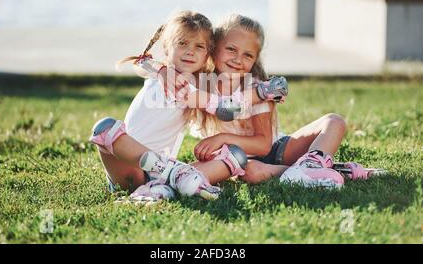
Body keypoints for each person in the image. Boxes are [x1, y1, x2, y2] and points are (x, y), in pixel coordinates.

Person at [89, 10, 287, 203]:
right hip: (127, 168)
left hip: (156, 174)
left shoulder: (197, 85)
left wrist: (260, 91)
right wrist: (261, 92)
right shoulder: (167, 76)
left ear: (208, 53)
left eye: (199, 46)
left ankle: (164, 187)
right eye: (182, 43)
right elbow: (142, 62)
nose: (190, 51)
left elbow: (228, 108)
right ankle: (173, 176)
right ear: (167, 48)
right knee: (105, 127)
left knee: (235, 157)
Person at [190, 14, 368, 188]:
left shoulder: (259, 90)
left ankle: (309, 167)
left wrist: (222, 138)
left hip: (277, 150)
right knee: (251, 171)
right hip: (240, 160)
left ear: (255, 59)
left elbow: (263, 146)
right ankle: (324, 171)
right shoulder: (201, 85)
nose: (238, 60)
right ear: (214, 48)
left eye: (248, 55)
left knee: (334, 121)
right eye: (231, 49)